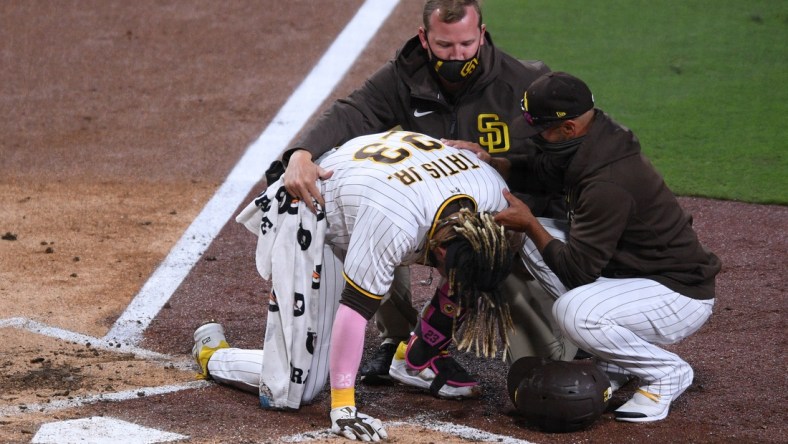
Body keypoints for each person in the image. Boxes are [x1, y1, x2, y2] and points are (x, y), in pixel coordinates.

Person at [280, 0, 563, 391]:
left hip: (502, 226)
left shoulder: (522, 83)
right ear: (424, 38)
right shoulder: (403, 78)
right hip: (430, 213)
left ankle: (431, 339)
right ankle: (404, 341)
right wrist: (301, 153)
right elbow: (352, 113)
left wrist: (499, 161)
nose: (457, 55)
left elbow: (558, 157)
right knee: (374, 235)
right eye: (445, 46)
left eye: (466, 44)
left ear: (482, 34)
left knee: (545, 364)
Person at [193, 130, 518, 441]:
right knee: (297, 386)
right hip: (314, 204)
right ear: (443, 250)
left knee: (476, 272)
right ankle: (212, 353)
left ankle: (417, 355)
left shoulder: (496, 203)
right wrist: (344, 407)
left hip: (375, 182)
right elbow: (353, 314)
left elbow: (480, 262)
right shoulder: (394, 222)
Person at [491, 71, 721, 422]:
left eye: (542, 130)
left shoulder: (607, 181)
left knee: (573, 311)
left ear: (569, 128)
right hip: (634, 276)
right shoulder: (591, 142)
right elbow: (541, 170)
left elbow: (577, 270)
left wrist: (531, 223)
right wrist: (495, 163)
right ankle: (615, 358)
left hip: (677, 294)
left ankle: (667, 373)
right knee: (531, 241)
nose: (537, 138)